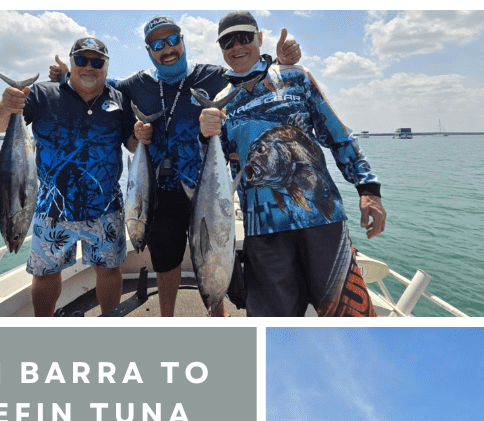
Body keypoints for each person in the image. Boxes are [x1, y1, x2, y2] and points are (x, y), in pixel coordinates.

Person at [50, 16, 301, 316]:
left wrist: (279, 64)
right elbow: (98, 83)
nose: (167, 49)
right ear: (149, 50)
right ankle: (167, 320)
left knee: (212, 255)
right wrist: (68, 76)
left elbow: (249, 75)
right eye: (158, 44)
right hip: (161, 192)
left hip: (208, 188)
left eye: (172, 40)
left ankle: (216, 317)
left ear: (182, 41)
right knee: (165, 263)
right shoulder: (137, 84)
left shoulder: (214, 75)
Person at [199, 12, 386, 317]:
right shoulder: (220, 103)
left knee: (349, 319)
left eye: (244, 37)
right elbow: (213, 169)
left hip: (322, 220)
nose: (236, 46)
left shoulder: (296, 78)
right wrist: (204, 135)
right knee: (274, 330)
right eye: (227, 42)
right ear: (221, 49)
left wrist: (368, 188)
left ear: (259, 39)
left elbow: (338, 135)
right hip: (263, 231)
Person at [0, 39, 136, 317]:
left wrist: (143, 138)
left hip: (105, 206)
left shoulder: (119, 100)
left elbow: (130, 142)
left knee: (109, 269)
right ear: (72, 63)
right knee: (44, 274)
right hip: (52, 208)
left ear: (106, 66)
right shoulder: (42, 94)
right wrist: (4, 105)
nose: (89, 67)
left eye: (97, 61)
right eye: (82, 60)